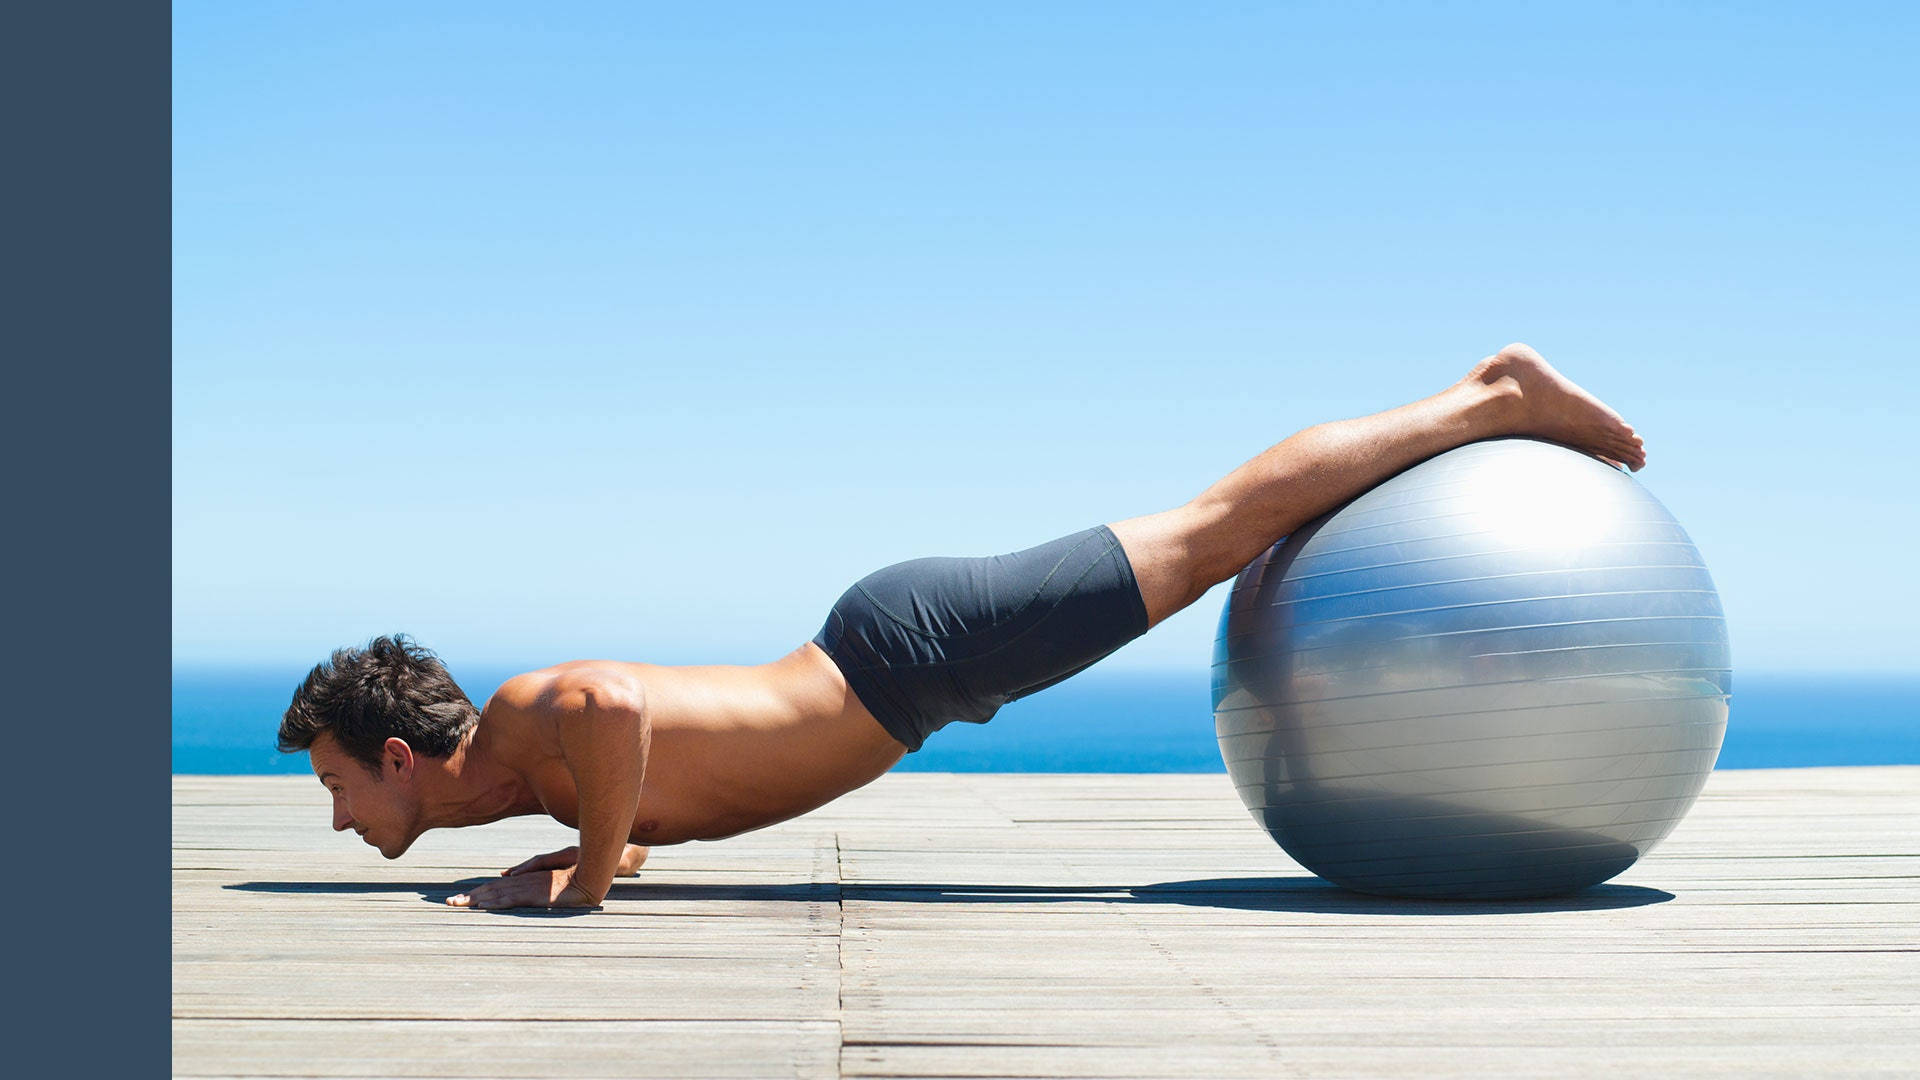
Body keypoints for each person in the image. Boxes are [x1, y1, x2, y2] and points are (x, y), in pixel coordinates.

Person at [277, 343, 1645, 911]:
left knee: (1211, 532)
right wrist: (585, 860)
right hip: (899, 669)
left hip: (900, 653)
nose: (340, 821)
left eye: (337, 786)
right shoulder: (529, 786)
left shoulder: (526, 715)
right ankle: (1481, 399)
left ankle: (1487, 398)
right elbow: (667, 780)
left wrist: (577, 884)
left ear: (397, 757)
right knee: (1204, 535)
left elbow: (616, 707)